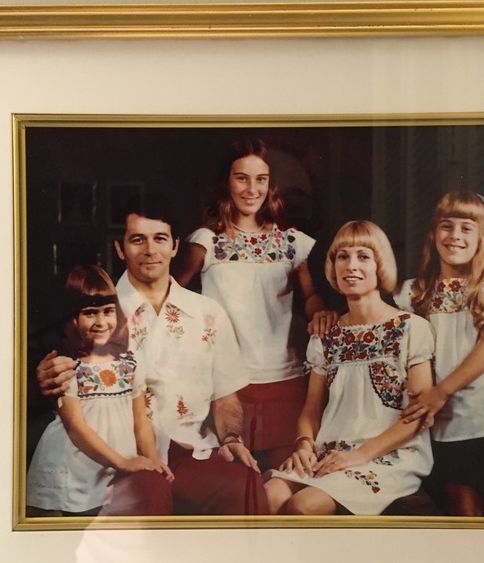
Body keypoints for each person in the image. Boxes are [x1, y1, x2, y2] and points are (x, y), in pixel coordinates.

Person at [37, 203, 269, 516]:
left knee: (246, 487)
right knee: (149, 495)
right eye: (137, 240)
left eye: (160, 239)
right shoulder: (98, 311)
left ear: (175, 246)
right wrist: (43, 376)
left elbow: (226, 396)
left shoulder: (208, 313)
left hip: (189, 450)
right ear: (120, 249)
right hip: (115, 455)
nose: (150, 250)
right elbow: (57, 371)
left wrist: (230, 437)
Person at [175, 138, 332, 471]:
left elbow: (311, 297)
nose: (251, 188)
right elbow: (168, 296)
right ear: (226, 183)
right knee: (239, 488)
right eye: (241, 178)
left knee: (282, 485)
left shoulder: (293, 243)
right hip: (227, 384)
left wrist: (321, 313)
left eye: (260, 179)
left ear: (271, 185)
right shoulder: (206, 241)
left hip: (285, 382)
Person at [265, 220, 436, 515]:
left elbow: (418, 417)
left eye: (363, 256)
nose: (350, 265)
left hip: (388, 456)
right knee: (269, 494)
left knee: (303, 506)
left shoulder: (412, 329)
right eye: (342, 256)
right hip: (331, 451)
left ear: (379, 266)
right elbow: (311, 409)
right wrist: (304, 444)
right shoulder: (326, 335)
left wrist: (357, 456)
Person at [396, 191, 484, 517]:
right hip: (449, 422)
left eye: (467, 228)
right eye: (446, 226)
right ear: (433, 233)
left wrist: (440, 391)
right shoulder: (417, 291)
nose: (455, 237)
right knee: (462, 512)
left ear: (482, 236)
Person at [26, 265, 173, 517]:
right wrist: (122, 462)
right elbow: (77, 428)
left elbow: (141, 420)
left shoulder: (129, 362)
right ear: (72, 318)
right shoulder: (67, 366)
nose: (101, 322)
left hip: (116, 463)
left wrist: (152, 460)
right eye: (90, 313)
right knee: (79, 525)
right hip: (78, 465)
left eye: (108, 312)